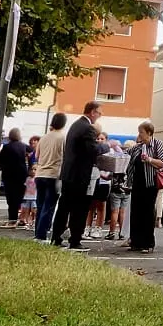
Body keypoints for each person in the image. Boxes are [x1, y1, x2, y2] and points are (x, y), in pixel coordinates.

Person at [51, 102, 111, 250]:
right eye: (99, 113)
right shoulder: (87, 128)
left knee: (64, 207)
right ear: (92, 112)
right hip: (79, 175)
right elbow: (92, 149)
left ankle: (56, 237)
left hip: (69, 173)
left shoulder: (75, 125)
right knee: (80, 208)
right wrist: (106, 145)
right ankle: (75, 240)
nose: (99, 116)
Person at [125, 121, 163, 252]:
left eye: (141, 132)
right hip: (137, 183)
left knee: (147, 213)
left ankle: (148, 243)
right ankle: (135, 241)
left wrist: (149, 159)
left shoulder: (157, 145)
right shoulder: (138, 147)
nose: (139, 135)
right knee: (136, 212)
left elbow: (162, 163)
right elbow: (126, 153)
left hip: (150, 183)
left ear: (149, 133)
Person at [33, 112, 66, 241]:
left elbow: (36, 156)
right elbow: (65, 155)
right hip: (53, 174)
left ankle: (37, 233)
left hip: (40, 173)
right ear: (63, 124)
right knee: (49, 205)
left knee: (40, 204)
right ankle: (42, 234)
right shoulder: (62, 138)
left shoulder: (44, 137)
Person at [0, 128, 28, 224]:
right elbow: (31, 153)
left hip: (9, 175)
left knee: (11, 198)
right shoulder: (24, 146)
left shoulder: (6, 147)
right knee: (19, 197)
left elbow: (0, 161)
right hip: (21, 175)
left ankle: (12, 218)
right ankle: (20, 217)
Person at [87, 133, 112, 235]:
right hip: (92, 180)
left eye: (102, 139)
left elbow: (111, 169)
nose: (99, 140)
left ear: (106, 140)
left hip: (104, 182)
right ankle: (87, 227)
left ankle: (98, 228)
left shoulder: (108, 152)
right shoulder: (93, 152)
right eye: (98, 138)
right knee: (90, 205)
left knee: (101, 205)